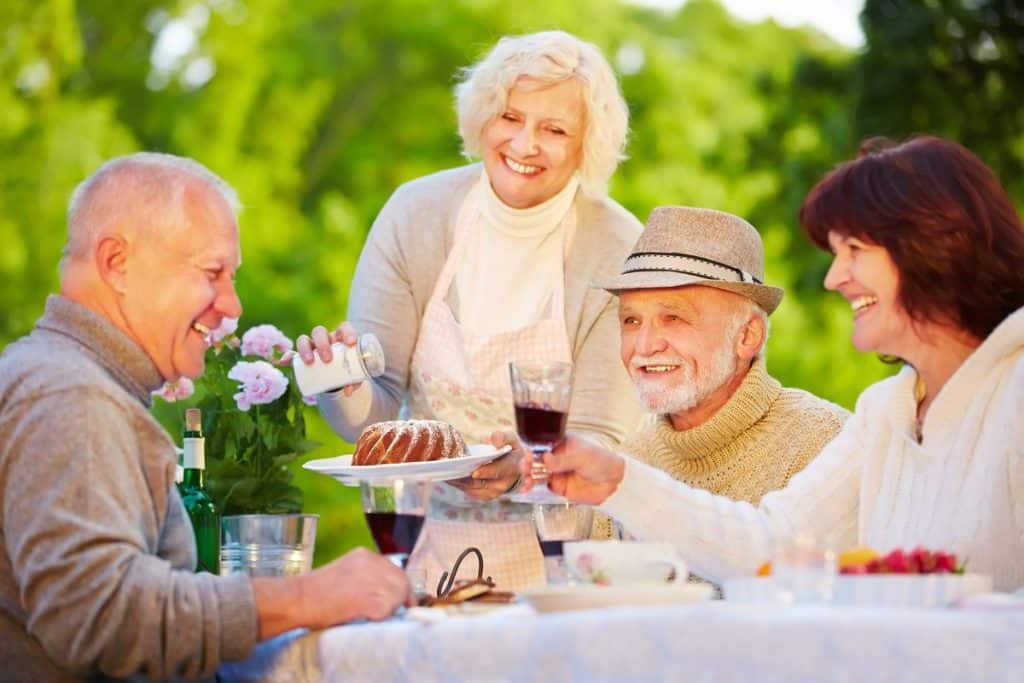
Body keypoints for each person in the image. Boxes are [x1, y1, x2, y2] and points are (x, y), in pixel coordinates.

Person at [516, 136, 1024, 592]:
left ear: (935, 248)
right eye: (631, 321)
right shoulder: (886, 411)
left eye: (854, 250)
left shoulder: (1014, 393)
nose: (834, 278)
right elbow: (770, 544)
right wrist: (616, 479)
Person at [0, 153, 411, 681]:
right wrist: (305, 596)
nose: (233, 305)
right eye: (212, 273)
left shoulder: (48, 376)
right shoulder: (71, 397)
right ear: (116, 263)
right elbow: (99, 616)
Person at [296, 31, 645, 590]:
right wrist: (342, 383)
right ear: (483, 116)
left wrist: (523, 470)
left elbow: (603, 435)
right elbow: (377, 419)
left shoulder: (619, 248)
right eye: (510, 117)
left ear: (588, 145)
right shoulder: (416, 215)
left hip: (570, 565)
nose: (525, 145)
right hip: (430, 554)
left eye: (554, 129)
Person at [578, 206, 848, 537]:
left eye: (674, 318)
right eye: (631, 321)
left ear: (748, 336)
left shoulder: (827, 445)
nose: (644, 346)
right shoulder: (630, 462)